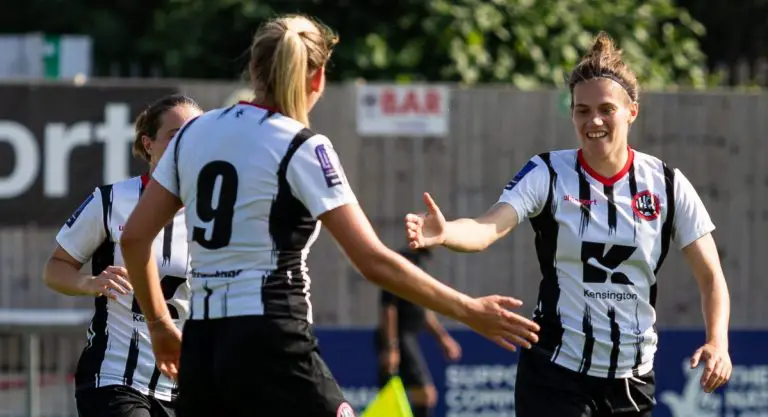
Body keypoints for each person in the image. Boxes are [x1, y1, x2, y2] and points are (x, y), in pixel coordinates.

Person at [118, 13, 540, 417]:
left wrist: (159, 324)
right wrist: (467, 309)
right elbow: (372, 260)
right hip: (273, 338)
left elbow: (135, 238)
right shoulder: (300, 145)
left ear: (252, 67)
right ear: (317, 78)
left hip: (203, 346)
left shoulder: (193, 133)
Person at [404, 32, 732, 417]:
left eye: (606, 109)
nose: (593, 120)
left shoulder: (668, 184)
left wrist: (718, 342)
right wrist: (446, 233)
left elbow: (712, 277)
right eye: (582, 110)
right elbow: (487, 227)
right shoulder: (548, 172)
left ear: (632, 111)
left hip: (632, 378)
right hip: (554, 373)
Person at [43, 94, 202, 417]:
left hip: (189, 385)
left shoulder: (214, 211)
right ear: (148, 144)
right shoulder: (111, 199)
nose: (188, 144)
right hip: (115, 378)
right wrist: (90, 282)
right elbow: (55, 268)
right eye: (175, 136)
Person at [376, 248, 461, 417]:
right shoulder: (397, 268)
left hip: (407, 339)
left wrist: (443, 338)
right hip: (399, 340)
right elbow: (389, 310)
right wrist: (392, 347)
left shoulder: (419, 268)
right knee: (423, 395)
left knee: (421, 396)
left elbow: (423, 313)